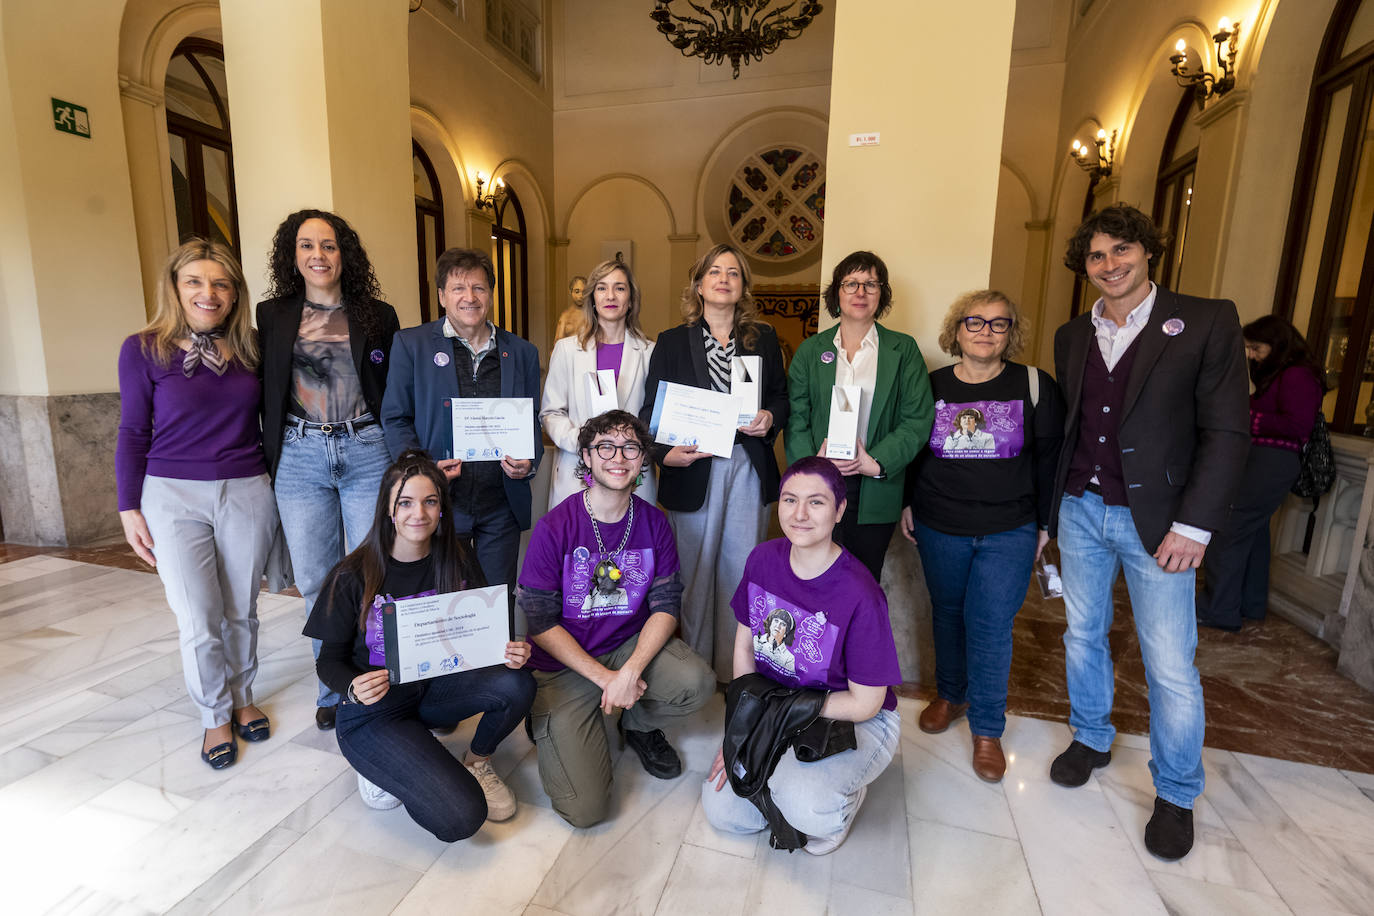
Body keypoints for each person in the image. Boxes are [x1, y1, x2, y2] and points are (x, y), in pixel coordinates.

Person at [1049, 204, 1249, 860]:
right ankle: (1092, 737)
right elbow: (1075, 425)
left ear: (1148, 251)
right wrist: (1053, 513)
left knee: (1169, 663)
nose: (1109, 265)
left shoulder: (1206, 319)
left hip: (1162, 524)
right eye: (1097, 257)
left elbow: (1226, 431)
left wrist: (1195, 526)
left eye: (1121, 251)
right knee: (1082, 634)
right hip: (1081, 508)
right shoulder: (1072, 334)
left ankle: (1177, 792)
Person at [304, 452, 535, 839]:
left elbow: (481, 635)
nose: (419, 513)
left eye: (430, 501)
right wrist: (352, 688)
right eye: (406, 502)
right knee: (461, 818)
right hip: (374, 711)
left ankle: (476, 761)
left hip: (432, 692)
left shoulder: (459, 559)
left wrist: (509, 650)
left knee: (519, 682)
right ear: (388, 511)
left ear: (443, 508)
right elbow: (329, 660)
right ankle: (386, 760)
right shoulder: (351, 574)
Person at [116, 240, 279, 770]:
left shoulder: (254, 348)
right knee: (197, 614)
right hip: (171, 494)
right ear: (176, 287)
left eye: (221, 284)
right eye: (195, 282)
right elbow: (133, 430)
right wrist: (128, 507)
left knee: (241, 609)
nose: (208, 293)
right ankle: (214, 715)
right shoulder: (142, 349)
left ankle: (243, 695)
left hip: (246, 487)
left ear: (235, 294)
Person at [516, 411, 715, 828]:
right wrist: (607, 679)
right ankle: (555, 719)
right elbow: (538, 619)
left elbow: (665, 603)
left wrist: (631, 670)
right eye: (606, 446)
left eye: (630, 447)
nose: (618, 457)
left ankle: (637, 724)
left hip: (626, 647)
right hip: (564, 666)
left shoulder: (653, 521)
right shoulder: (555, 527)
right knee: (584, 811)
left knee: (696, 681)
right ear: (586, 457)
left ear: (643, 458)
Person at [899, 290, 1065, 783]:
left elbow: (1052, 460)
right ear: (957, 330)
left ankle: (988, 728)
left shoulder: (1035, 386)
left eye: (999, 324)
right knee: (947, 614)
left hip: (1008, 527)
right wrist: (908, 502)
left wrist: (1045, 524)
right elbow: (914, 449)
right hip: (939, 523)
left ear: (1012, 333)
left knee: (990, 625)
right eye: (975, 322)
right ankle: (950, 695)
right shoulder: (931, 386)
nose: (986, 332)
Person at [702, 457, 902, 856]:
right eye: (790, 500)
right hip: (778, 708)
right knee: (726, 813)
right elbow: (744, 647)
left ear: (839, 510)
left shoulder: (860, 593)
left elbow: (866, 702)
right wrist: (744, 729)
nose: (800, 514)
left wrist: (779, 714)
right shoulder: (763, 559)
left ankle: (842, 801)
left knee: (807, 810)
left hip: (851, 718)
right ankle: (783, 785)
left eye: (816, 502)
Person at [257, 208, 400, 732]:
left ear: (345, 254)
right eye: (307, 246)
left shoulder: (376, 314)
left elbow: (391, 387)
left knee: (371, 572)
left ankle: (375, 677)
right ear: (293, 256)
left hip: (365, 448)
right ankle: (332, 686)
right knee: (317, 579)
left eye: (329, 245)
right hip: (299, 454)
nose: (319, 255)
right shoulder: (271, 314)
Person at [639, 244, 789, 682]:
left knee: (741, 570)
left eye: (734, 273)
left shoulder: (762, 337)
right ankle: (698, 673)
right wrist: (666, 453)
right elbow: (652, 409)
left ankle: (735, 673)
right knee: (697, 573)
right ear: (699, 285)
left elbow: (780, 396)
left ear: (742, 287)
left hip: (746, 463)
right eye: (715, 272)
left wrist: (770, 417)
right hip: (695, 468)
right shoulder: (670, 342)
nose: (724, 279)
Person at [381, 247, 543, 595]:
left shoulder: (522, 352)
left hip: (500, 504)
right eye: (458, 288)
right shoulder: (412, 345)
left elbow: (530, 420)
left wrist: (528, 464)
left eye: (479, 288)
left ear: (491, 294)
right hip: (439, 503)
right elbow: (395, 417)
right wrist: (422, 470)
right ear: (442, 295)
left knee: (497, 604)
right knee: (440, 602)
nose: (469, 297)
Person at [785, 251, 933, 585]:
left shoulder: (903, 350)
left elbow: (917, 418)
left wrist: (876, 462)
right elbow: (797, 416)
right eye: (851, 283)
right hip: (819, 483)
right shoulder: (812, 351)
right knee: (813, 579)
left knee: (863, 583)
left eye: (870, 284)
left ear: (882, 294)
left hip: (875, 483)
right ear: (837, 292)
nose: (860, 292)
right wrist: (811, 464)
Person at [1197, 315, 1326, 631]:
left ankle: (1219, 609)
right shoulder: (1283, 374)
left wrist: (1247, 417)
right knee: (1252, 536)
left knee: (1228, 529)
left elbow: (1298, 427)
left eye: (1256, 348)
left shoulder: (1299, 376)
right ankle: (1249, 605)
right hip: (1263, 461)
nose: (1251, 355)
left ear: (1278, 344)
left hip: (1273, 462)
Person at [541, 259, 657, 509]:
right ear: (592, 296)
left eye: (620, 288)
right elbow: (551, 412)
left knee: (631, 545)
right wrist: (583, 441)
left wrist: (629, 447)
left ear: (631, 299)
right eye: (602, 288)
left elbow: (656, 416)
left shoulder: (650, 352)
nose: (610, 295)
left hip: (631, 473)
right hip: (577, 470)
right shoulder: (567, 350)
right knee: (578, 545)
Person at [554, 274, 588, 342]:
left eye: (584, 292)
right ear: (570, 292)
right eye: (577, 291)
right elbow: (557, 343)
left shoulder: (593, 314)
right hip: (569, 352)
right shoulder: (565, 316)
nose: (580, 296)